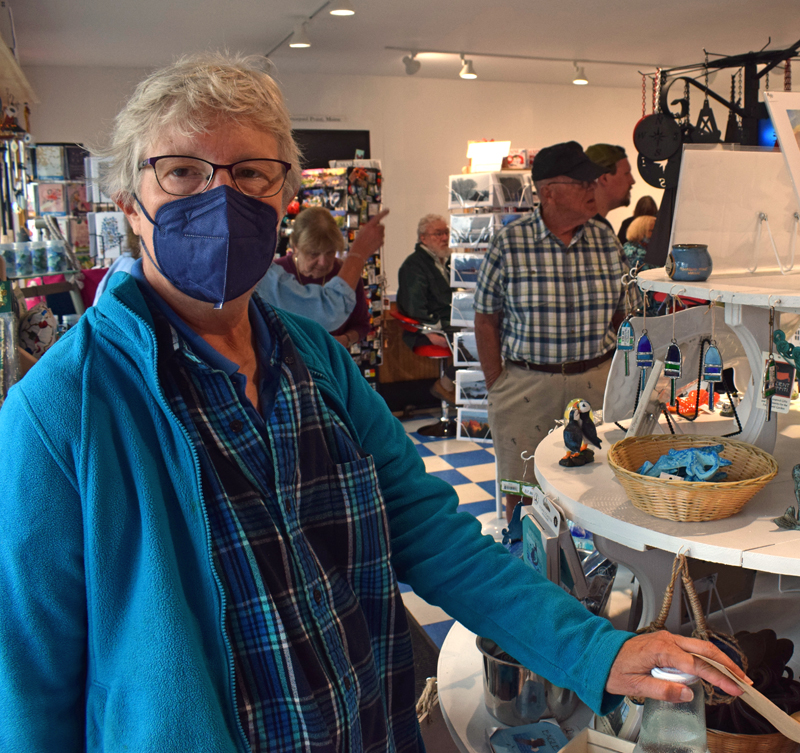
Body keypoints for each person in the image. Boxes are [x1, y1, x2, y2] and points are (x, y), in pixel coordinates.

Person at [0, 55, 746, 752]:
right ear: (132, 204)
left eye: (250, 174)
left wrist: (594, 648)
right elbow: (30, 684)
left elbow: (427, 531)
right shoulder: (61, 410)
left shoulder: (311, 358)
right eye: (184, 172)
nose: (219, 199)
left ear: (284, 196)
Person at [474, 141, 630, 523]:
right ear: (549, 192)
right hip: (526, 386)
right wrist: (497, 383)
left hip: (595, 384)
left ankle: (587, 580)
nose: (595, 189)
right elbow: (485, 318)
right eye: (584, 183)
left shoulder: (605, 240)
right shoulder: (509, 243)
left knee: (598, 489)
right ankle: (528, 576)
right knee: (524, 493)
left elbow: (621, 313)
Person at [257, 209, 380, 332]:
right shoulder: (273, 276)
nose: (323, 262)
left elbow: (362, 324)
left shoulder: (347, 275)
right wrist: (358, 254)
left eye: (330, 252)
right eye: (313, 253)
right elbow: (328, 311)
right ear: (295, 246)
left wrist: (344, 340)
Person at [397, 213, 457, 403]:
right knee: (474, 343)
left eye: (446, 232)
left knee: (486, 334)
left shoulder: (445, 262)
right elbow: (414, 307)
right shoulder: (414, 265)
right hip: (427, 330)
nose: (445, 238)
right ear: (423, 238)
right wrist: (429, 331)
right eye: (438, 234)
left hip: (451, 323)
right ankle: (446, 384)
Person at [584, 143, 636, 228]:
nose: (632, 181)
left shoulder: (600, 228)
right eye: (626, 174)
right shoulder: (584, 230)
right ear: (604, 178)